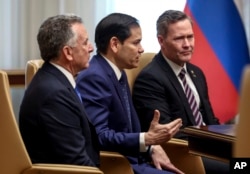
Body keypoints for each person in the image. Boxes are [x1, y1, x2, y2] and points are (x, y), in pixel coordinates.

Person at [76, 13, 183, 174]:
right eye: (136, 42)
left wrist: (150, 147)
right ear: (115, 44)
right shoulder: (94, 77)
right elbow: (100, 136)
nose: (142, 49)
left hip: (137, 160)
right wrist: (145, 139)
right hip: (118, 166)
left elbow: (128, 127)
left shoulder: (118, 71)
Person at [132, 10, 229, 173]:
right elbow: (165, 135)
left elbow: (209, 120)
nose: (187, 44)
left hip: (210, 148)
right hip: (185, 154)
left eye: (190, 37)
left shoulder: (196, 72)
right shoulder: (150, 78)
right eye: (179, 38)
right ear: (161, 40)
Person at [19, 14, 99, 167]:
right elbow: (76, 163)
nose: (91, 48)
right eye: (86, 43)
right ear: (68, 52)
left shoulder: (56, 81)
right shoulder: (53, 94)